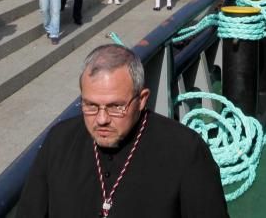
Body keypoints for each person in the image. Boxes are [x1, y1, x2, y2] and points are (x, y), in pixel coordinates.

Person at [17, 44, 228, 217]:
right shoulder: (59, 141)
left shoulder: (185, 151)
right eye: (90, 105)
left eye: (115, 107)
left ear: (142, 100)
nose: (101, 119)